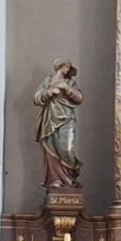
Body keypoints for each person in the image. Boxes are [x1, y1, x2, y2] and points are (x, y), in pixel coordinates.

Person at [35, 61, 85, 190]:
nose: (68, 69)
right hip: (50, 117)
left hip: (67, 118)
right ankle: (55, 179)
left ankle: (69, 179)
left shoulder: (70, 83)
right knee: (50, 148)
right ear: (61, 67)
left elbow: (80, 98)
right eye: (67, 66)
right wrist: (49, 92)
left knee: (67, 149)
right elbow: (37, 98)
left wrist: (67, 89)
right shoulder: (48, 80)